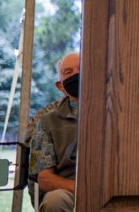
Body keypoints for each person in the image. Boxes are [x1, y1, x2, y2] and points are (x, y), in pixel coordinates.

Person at [30, 53, 80, 212]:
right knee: (55, 201)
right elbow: (44, 178)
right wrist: (81, 189)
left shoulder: (116, 113)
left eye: (81, 68)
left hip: (112, 189)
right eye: (68, 72)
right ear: (61, 86)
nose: (77, 74)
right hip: (68, 192)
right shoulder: (47, 123)